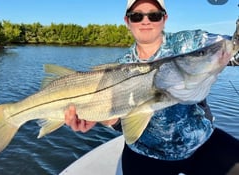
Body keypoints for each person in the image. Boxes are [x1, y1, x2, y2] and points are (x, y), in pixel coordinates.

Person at [65, 0, 239, 174]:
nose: (145, 21)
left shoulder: (191, 42)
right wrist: (105, 119)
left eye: (154, 15)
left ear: (164, 18)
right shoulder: (118, 69)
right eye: (137, 16)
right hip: (146, 154)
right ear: (127, 22)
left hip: (203, 143)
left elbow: (233, 49)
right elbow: (123, 123)